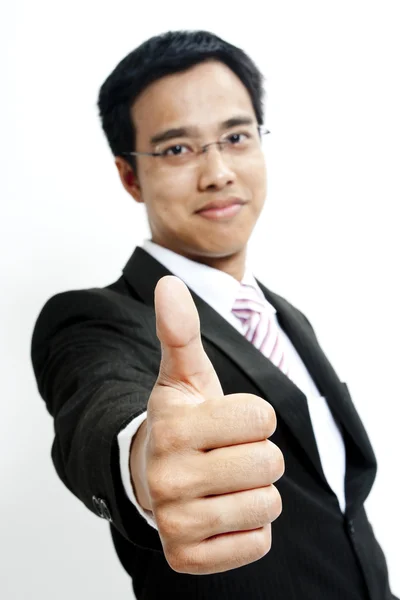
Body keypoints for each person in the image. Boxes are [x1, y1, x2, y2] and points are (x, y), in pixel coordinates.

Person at [30, 30, 397, 600]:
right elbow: (101, 403)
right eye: (177, 148)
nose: (219, 171)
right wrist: (144, 459)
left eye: (236, 136)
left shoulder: (286, 317)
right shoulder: (95, 320)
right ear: (130, 175)